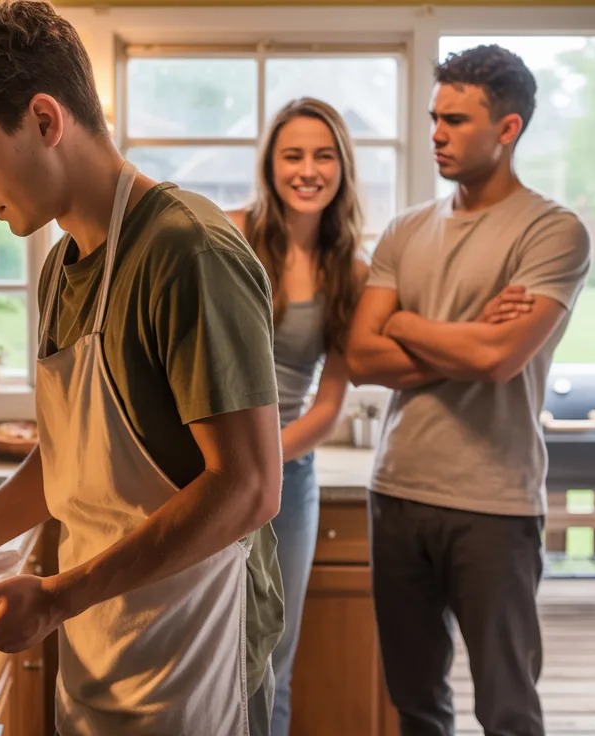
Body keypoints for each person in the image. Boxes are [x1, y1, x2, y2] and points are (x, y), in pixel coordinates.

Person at [0, 2, 286, 734]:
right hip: (105, 656)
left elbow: (249, 487)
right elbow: (75, 460)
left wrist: (61, 594)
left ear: (43, 119)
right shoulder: (63, 265)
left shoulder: (187, 253)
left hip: (197, 664)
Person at [345, 44, 591, 736]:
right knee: (415, 702)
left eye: (455, 120)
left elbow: (498, 359)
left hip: (494, 502)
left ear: (507, 129)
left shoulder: (553, 231)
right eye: (433, 118)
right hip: (397, 490)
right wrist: (464, 336)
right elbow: (363, 355)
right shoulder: (405, 229)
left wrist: (404, 322)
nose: (436, 135)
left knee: (507, 709)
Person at [225, 97, 366, 736]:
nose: (308, 170)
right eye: (293, 155)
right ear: (270, 166)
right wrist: (231, 465)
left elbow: (329, 403)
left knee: (273, 658)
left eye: (323, 155)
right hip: (206, 472)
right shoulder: (229, 236)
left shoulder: (350, 270)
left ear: (341, 167)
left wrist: (262, 461)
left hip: (290, 480)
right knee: (210, 655)